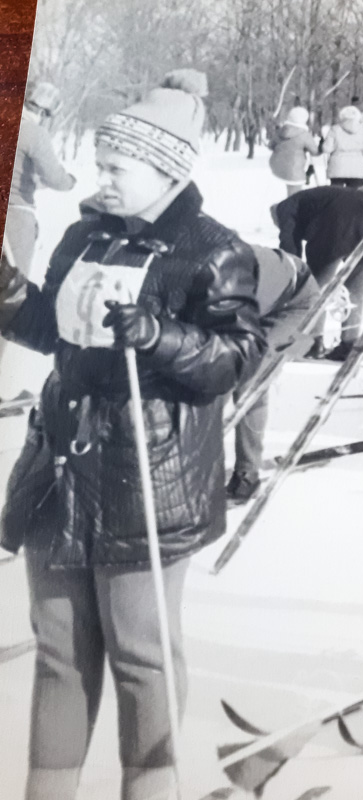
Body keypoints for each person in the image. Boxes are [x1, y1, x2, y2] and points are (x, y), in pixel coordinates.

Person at [0, 77, 265, 800]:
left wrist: (158, 335)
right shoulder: (86, 234)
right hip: (60, 466)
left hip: (147, 475)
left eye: (117, 166)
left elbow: (237, 358)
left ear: (167, 170)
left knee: (139, 652)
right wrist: (9, 292)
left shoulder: (212, 251)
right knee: (59, 650)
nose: (100, 177)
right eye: (102, 162)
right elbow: (49, 329)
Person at [226, 245, 321, 501]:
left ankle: (247, 473)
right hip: (260, 298)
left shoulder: (226, 276)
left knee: (249, 379)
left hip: (296, 301)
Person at [271, 185, 363, 361]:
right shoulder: (305, 200)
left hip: (335, 219)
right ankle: (349, 344)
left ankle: (314, 343)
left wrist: (293, 277)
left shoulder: (283, 208)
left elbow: (289, 244)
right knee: (355, 289)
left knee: (315, 288)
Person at [7, 81, 76, 274]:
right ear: (45, 112)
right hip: (15, 215)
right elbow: (55, 178)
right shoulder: (34, 133)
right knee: (12, 286)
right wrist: (70, 181)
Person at [269, 106, 320, 197]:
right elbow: (315, 152)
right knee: (294, 196)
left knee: (291, 193)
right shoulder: (304, 135)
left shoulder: (280, 131)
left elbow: (270, 146)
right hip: (294, 170)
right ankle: (287, 210)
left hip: (277, 166)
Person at [322, 105, 363, 190]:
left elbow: (327, 148)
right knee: (353, 196)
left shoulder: (335, 129)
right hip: (357, 166)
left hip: (337, 166)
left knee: (336, 194)